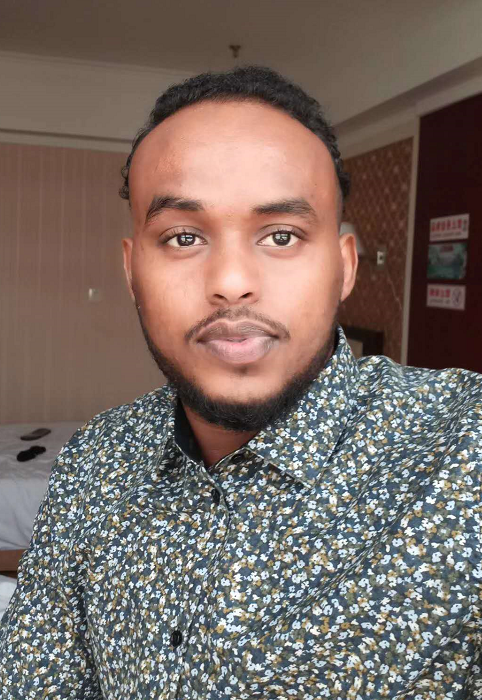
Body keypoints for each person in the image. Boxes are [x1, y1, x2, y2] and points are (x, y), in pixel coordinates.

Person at [1, 66, 481, 700]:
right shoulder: (93, 460)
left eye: (281, 236)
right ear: (132, 272)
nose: (231, 282)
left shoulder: (463, 453)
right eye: (183, 237)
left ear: (344, 268)